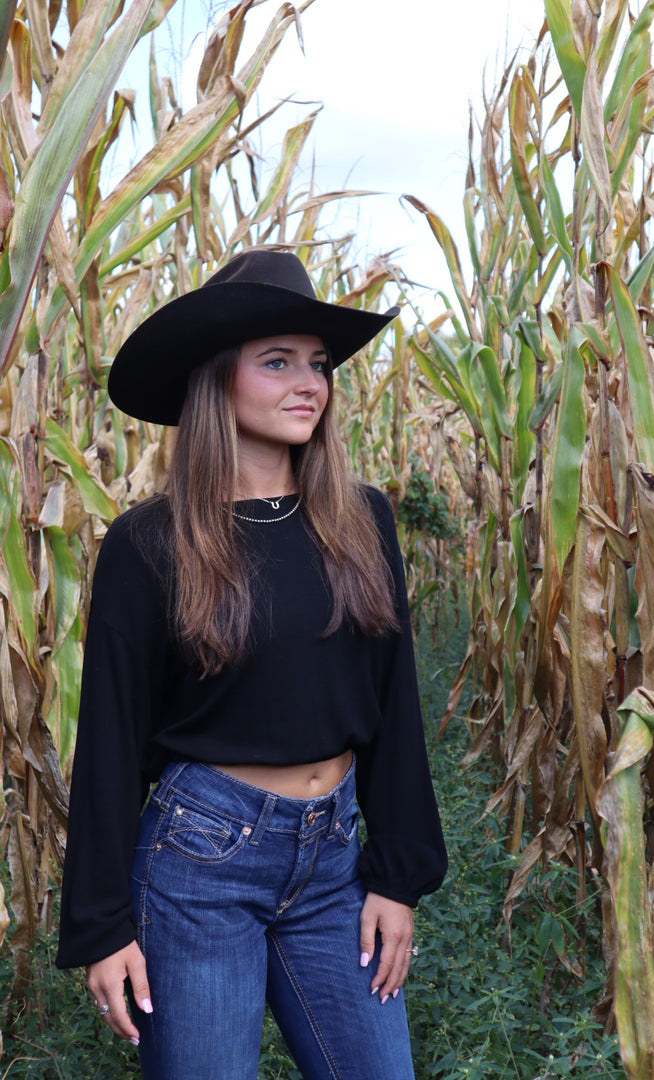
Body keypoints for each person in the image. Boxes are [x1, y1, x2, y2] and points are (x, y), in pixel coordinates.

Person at [56, 248, 447, 1080]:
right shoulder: (151, 543)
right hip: (199, 867)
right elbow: (112, 742)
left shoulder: (362, 521)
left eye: (317, 363)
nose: (309, 381)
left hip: (335, 859)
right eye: (277, 362)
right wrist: (102, 926)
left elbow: (393, 702)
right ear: (216, 380)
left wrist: (398, 876)